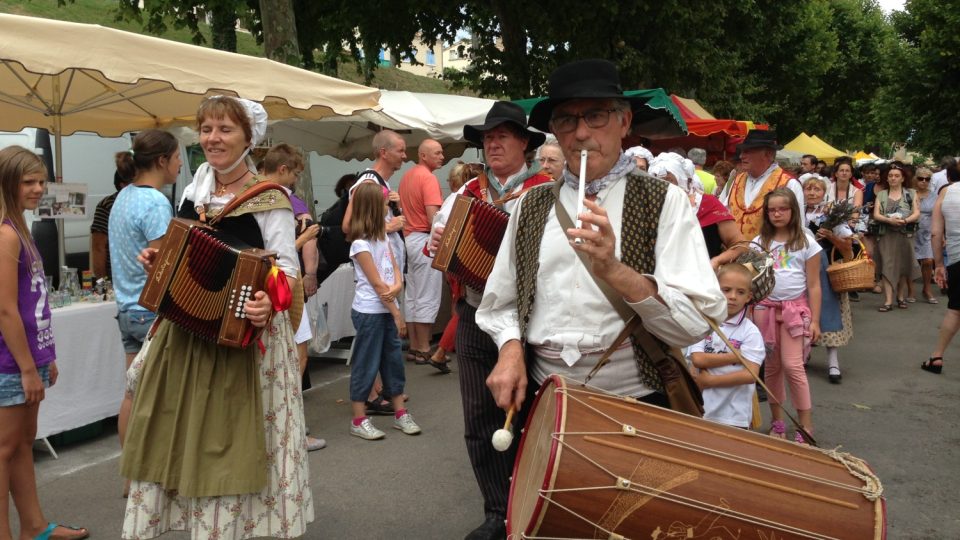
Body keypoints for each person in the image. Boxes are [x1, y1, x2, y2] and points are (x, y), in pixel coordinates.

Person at [476, 60, 725, 536]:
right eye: (567, 121)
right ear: (554, 131)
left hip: (636, 401)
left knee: (630, 527)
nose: (581, 133)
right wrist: (509, 350)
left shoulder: (663, 202)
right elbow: (500, 301)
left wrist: (615, 270)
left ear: (624, 122)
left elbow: (695, 320)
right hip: (546, 401)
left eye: (596, 117)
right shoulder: (531, 206)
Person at [120, 96, 313, 539]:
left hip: (244, 340)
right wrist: (158, 260)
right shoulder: (195, 189)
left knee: (231, 439)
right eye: (207, 129)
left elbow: (287, 273)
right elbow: (181, 250)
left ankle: (235, 527)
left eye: (225, 129)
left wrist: (269, 300)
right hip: (186, 331)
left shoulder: (271, 200)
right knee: (177, 427)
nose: (212, 138)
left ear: (249, 138)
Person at [429, 100, 552, 540]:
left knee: (533, 418)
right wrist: (438, 244)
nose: (493, 144)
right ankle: (497, 512)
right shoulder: (466, 194)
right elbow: (437, 250)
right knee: (480, 421)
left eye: (502, 136)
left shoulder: (546, 191)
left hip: (533, 322)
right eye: (488, 138)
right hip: (473, 315)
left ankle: (536, 510)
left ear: (524, 143)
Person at [0, 146, 89, 540]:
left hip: (26, 360)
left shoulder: (21, 229)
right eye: (28, 182)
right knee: (4, 450)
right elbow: (4, 311)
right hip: (8, 365)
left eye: (41, 181)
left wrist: (43, 357)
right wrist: (24, 367)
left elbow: (32, 304)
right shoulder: (6, 235)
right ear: (7, 184)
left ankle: (33, 526)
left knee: (21, 446)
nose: (38, 189)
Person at [108, 130, 179, 491]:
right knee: (164, 398)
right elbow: (161, 266)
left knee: (132, 394)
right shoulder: (154, 202)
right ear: (163, 160)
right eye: (178, 156)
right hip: (152, 310)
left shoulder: (123, 197)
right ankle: (161, 475)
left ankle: (132, 475)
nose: (181, 163)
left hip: (126, 307)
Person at [260, 142, 327, 452]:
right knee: (294, 360)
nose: (296, 181)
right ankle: (293, 426)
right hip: (282, 288)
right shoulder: (277, 198)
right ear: (283, 170)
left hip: (271, 289)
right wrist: (307, 236)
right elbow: (278, 253)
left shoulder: (252, 193)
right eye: (295, 174)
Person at [346, 181, 421, 440]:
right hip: (370, 311)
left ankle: (400, 413)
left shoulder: (382, 239)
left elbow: (394, 270)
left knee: (393, 362)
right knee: (366, 364)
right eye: (383, 206)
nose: (387, 211)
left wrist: (397, 288)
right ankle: (359, 418)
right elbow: (378, 283)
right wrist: (397, 312)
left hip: (388, 308)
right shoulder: (360, 244)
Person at [752, 188, 821, 443]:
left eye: (783, 209)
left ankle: (805, 425)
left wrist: (815, 320)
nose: (777, 214)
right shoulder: (761, 242)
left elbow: (814, 285)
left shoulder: (806, 242)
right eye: (772, 210)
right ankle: (778, 422)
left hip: (795, 311)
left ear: (793, 211)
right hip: (765, 310)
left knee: (793, 366)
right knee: (771, 367)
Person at [688, 263, 764, 428]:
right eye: (726, 290)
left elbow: (750, 374)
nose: (733, 296)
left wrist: (710, 381)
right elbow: (698, 359)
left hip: (734, 414)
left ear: (749, 297)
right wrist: (736, 355)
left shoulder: (750, 332)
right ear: (716, 290)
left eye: (740, 292)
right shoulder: (704, 322)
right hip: (702, 409)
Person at [428, 162, 483, 372]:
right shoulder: (461, 198)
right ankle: (442, 350)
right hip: (459, 265)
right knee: (462, 307)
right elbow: (436, 238)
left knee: (459, 306)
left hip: (455, 265)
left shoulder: (454, 198)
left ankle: (446, 349)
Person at [648, 153, 744, 269]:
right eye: (658, 182)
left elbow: (740, 245)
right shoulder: (650, 209)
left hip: (705, 279)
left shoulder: (707, 204)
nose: (664, 187)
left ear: (683, 179)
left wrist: (717, 261)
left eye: (669, 180)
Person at [803, 175, 855, 384]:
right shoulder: (797, 214)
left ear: (824, 193)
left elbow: (849, 247)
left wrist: (831, 236)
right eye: (809, 189)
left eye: (817, 190)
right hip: (802, 269)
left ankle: (833, 361)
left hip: (825, 269)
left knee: (829, 312)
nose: (812, 193)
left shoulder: (831, 214)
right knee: (802, 310)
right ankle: (805, 351)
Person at [398, 139, 445, 363]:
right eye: (437, 153)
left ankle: (415, 346)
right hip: (425, 239)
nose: (442, 156)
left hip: (408, 239)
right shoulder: (428, 178)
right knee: (428, 294)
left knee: (413, 295)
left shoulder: (407, 176)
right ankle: (424, 346)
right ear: (423, 155)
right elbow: (433, 217)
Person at [342, 130, 407, 277]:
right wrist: (389, 227)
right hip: (379, 273)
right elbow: (348, 225)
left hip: (387, 269)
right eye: (400, 151)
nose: (404, 156)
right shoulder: (368, 183)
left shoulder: (382, 183)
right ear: (384, 153)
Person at [718, 130, 804, 239]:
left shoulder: (789, 184)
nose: (741, 156)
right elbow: (722, 213)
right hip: (732, 252)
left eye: (748, 151)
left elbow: (797, 229)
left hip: (769, 254)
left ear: (767, 154)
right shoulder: (737, 180)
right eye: (742, 151)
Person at [873, 163, 920, 311]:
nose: (893, 178)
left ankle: (900, 297)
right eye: (890, 176)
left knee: (903, 266)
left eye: (896, 176)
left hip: (905, 234)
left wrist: (905, 221)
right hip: (886, 234)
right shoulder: (881, 194)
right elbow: (876, 214)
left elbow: (917, 212)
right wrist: (889, 220)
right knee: (887, 264)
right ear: (886, 179)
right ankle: (888, 300)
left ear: (902, 178)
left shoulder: (911, 193)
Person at [924, 180, 960, 374]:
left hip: (957, 258)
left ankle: (937, 356)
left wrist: (938, 264)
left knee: (955, 310)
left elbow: (936, 232)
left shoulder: (947, 191)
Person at [90, 161, 134, 279]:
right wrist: (103, 281)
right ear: (123, 185)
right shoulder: (107, 206)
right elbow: (98, 246)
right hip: (116, 275)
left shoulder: (146, 203)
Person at [913, 167, 939, 303]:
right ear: (915, 179)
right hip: (911, 231)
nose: (923, 181)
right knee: (911, 262)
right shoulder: (910, 193)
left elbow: (939, 216)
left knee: (928, 261)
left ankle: (927, 289)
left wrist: (942, 235)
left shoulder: (935, 196)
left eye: (927, 179)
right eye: (920, 178)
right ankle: (910, 290)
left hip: (928, 232)